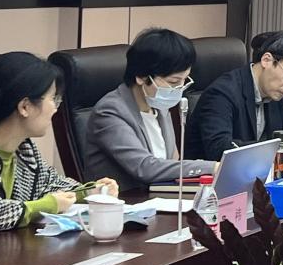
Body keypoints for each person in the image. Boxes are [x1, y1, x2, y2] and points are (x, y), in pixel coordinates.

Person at [0, 52, 117, 232]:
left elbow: (49, 184)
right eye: (53, 99)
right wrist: (46, 205)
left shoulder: (23, 148)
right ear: (25, 107)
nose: (55, 109)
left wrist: (89, 192)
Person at [84, 28, 217, 192]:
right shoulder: (109, 112)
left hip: (161, 197)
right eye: (173, 82)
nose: (179, 88)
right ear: (141, 76)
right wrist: (211, 167)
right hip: (126, 201)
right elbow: (145, 167)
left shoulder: (160, 106)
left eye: (184, 80)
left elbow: (171, 162)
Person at [185, 31, 283, 162]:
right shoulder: (222, 93)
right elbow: (220, 149)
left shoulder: (273, 93)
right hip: (209, 173)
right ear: (267, 60)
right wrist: (280, 148)